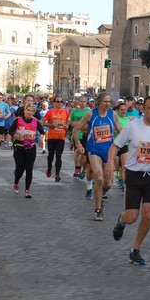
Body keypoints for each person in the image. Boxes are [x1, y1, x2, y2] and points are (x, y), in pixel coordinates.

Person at [109, 96, 150, 265]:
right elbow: (116, 145)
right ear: (143, 110)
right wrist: (110, 163)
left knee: (148, 213)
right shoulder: (132, 127)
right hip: (134, 175)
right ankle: (121, 221)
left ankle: (136, 248)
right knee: (132, 217)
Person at [73, 92, 122, 221]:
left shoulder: (113, 114)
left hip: (109, 151)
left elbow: (120, 131)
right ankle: (98, 209)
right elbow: (75, 129)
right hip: (94, 150)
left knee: (108, 183)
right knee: (99, 178)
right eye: (105, 101)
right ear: (99, 102)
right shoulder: (90, 114)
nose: (107, 104)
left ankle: (100, 195)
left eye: (109, 102)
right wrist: (78, 144)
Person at [9, 102, 45, 198]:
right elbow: (10, 130)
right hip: (19, 147)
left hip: (31, 148)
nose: (29, 112)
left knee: (29, 169)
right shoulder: (18, 120)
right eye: (28, 110)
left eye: (32, 111)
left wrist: (41, 137)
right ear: (24, 110)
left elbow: (42, 132)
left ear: (34, 113)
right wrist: (15, 135)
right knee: (20, 169)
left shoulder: (35, 122)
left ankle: (27, 190)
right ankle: (16, 183)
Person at [42, 95, 69, 182]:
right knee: (51, 155)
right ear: (54, 103)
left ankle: (57, 174)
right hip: (52, 137)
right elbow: (43, 123)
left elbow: (68, 122)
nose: (60, 103)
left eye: (61, 102)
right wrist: (51, 125)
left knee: (58, 156)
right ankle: (49, 168)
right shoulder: (50, 112)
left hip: (61, 137)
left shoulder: (65, 112)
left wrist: (67, 126)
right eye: (58, 101)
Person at [69, 96, 90, 178]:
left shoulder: (89, 112)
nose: (82, 103)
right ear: (78, 102)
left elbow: (89, 124)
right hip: (77, 135)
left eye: (84, 101)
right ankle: (77, 168)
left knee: (85, 154)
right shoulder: (74, 112)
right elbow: (71, 122)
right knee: (78, 151)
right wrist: (74, 124)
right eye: (81, 101)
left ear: (86, 103)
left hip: (86, 135)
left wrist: (79, 125)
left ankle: (84, 170)